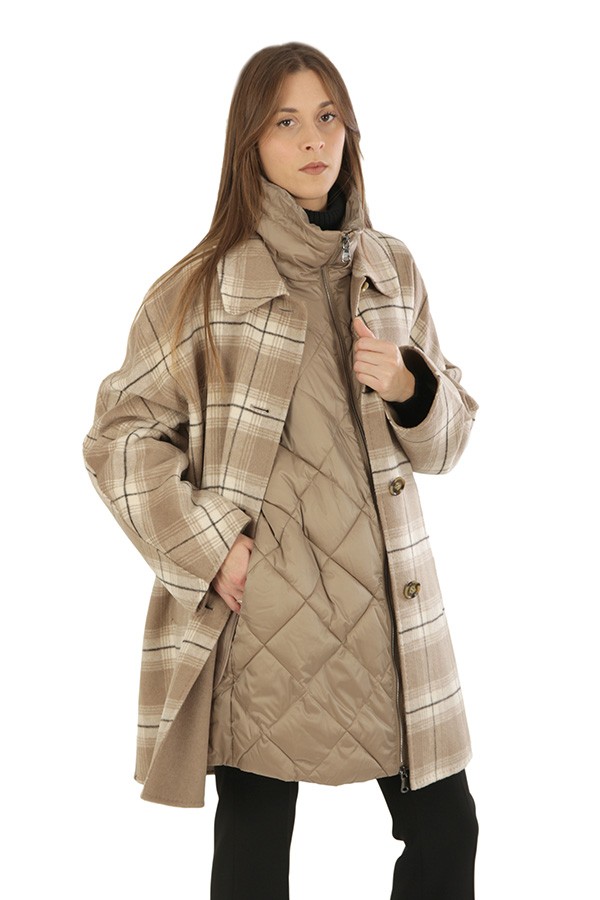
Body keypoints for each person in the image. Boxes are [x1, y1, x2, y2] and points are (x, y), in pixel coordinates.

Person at [83, 42, 479, 900]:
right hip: (264, 620)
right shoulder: (201, 289)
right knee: (256, 849)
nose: (313, 140)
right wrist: (214, 549)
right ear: (250, 144)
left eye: (328, 117)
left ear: (350, 131)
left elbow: (449, 444)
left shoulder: (392, 270)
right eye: (286, 122)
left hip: (393, 612)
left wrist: (410, 385)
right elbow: (119, 439)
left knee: (448, 829)